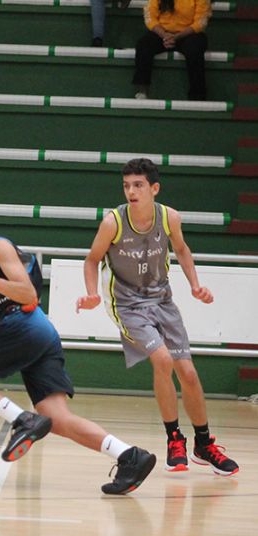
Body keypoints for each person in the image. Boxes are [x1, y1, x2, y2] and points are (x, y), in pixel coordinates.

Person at [0, 183, 156, 495]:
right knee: (56, 419)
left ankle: (22, 420)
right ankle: (130, 456)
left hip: (26, 324)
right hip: (38, 334)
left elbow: (28, 293)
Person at [77, 158, 239, 476]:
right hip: (127, 305)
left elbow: (181, 250)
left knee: (189, 374)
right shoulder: (113, 222)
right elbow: (92, 260)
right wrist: (92, 292)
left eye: (138, 185)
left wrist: (195, 286)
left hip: (162, 301)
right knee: (162, 360)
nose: (131, 191)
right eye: (126, 185)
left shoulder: (169, 218)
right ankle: (173, 439)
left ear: (154, 188)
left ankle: (204, 445)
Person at [132, 0, 211, 100]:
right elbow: (150, 17)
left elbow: (201, 22)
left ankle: (197, 95)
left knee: (195, 50)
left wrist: (177, 36)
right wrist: (164, 35)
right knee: (143, 45)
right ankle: (142, 90)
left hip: (189, 34)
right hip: (162, 32)